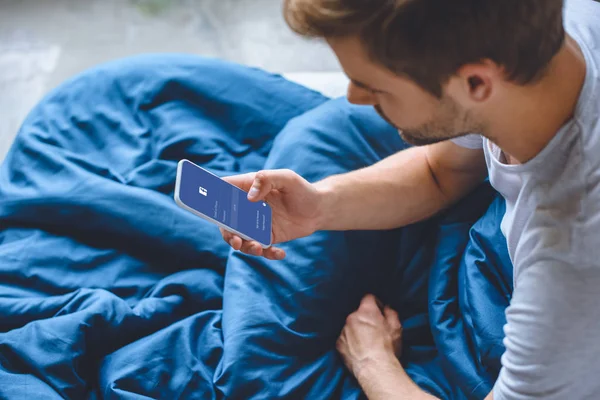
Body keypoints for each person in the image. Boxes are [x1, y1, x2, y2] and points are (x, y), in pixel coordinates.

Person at [220, 0, 600, 398]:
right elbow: (442, 171)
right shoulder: (553, 28)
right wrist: (319, 206)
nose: (354, 96)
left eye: (374, 87)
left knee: (264, 374)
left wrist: (373, 363)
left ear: (476, 84)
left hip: (535, 312)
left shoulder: (571, 261)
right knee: (323, 134)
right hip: (494, 239)